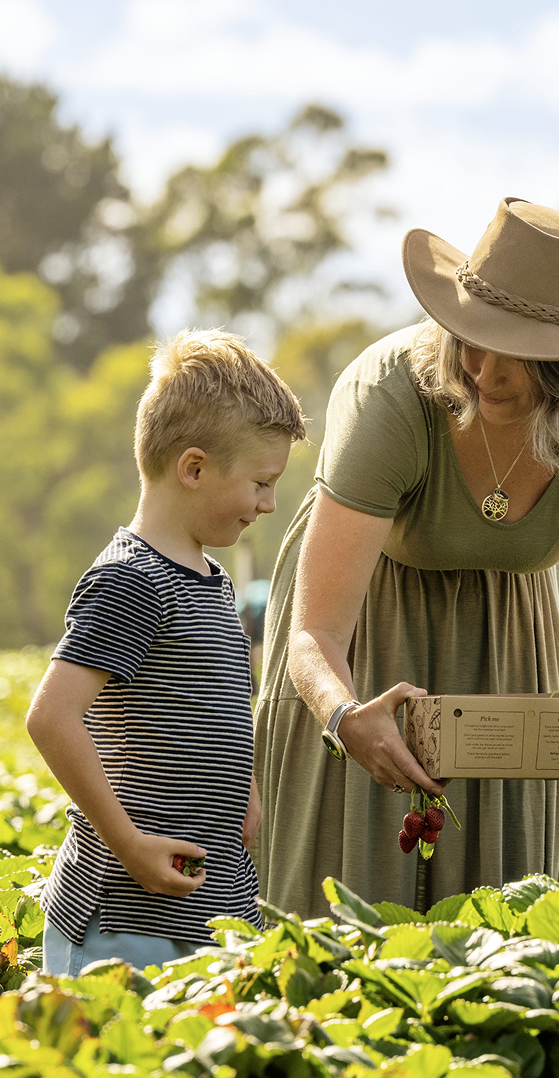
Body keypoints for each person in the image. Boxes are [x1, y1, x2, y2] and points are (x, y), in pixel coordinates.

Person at [253, 198, 559, 919]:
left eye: (514, 353)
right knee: (350, 900)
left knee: (506, 905)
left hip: (509, 638)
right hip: (366, 623)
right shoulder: (392, 396)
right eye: (470, 335)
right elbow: (317, 632)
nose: (480, 367)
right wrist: (343, 717)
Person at [27, 329, 306, 976]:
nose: (269, 503)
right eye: (261, 483)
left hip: (205, 903)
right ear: (195, 467)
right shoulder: (132, 579)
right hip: (124, 913)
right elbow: (51, 716)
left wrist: (249, 790)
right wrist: (127, 845)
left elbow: (223, 703)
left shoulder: (212, 578)